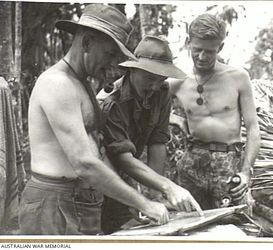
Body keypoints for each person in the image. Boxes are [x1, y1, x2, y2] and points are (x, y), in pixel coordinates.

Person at [19, 4, 179, 235]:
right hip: (54, 204)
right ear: (86, 43)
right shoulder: (58, 84)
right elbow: (84, 162)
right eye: (110, 54)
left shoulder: (82, 85)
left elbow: (99, 153)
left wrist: (130, 200)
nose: (114, 63)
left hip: (83, 202)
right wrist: (143, 203)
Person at [97, 35, 203, 234]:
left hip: (125, 178)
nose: (155, 86)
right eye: (150, 79)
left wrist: (156, 195)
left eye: (161, 79)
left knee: (135, 231)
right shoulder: (111, 102)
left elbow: (157, 142)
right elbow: (122, 158)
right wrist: (168, 187)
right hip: (97, 179)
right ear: (133, 69)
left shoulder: (161, 93)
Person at [169, 13, 261, 210]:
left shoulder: (238, 77)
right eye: (197, 49)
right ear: (188, 42)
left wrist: (246, 172)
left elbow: (253, 128)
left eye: (209, 51)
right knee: (190, 222)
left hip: (227, 163)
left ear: (220, 47)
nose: (202, 57)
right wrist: (172, 117)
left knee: (236, 221)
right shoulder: (178, 80)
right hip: (191, 163)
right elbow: (143, 94)